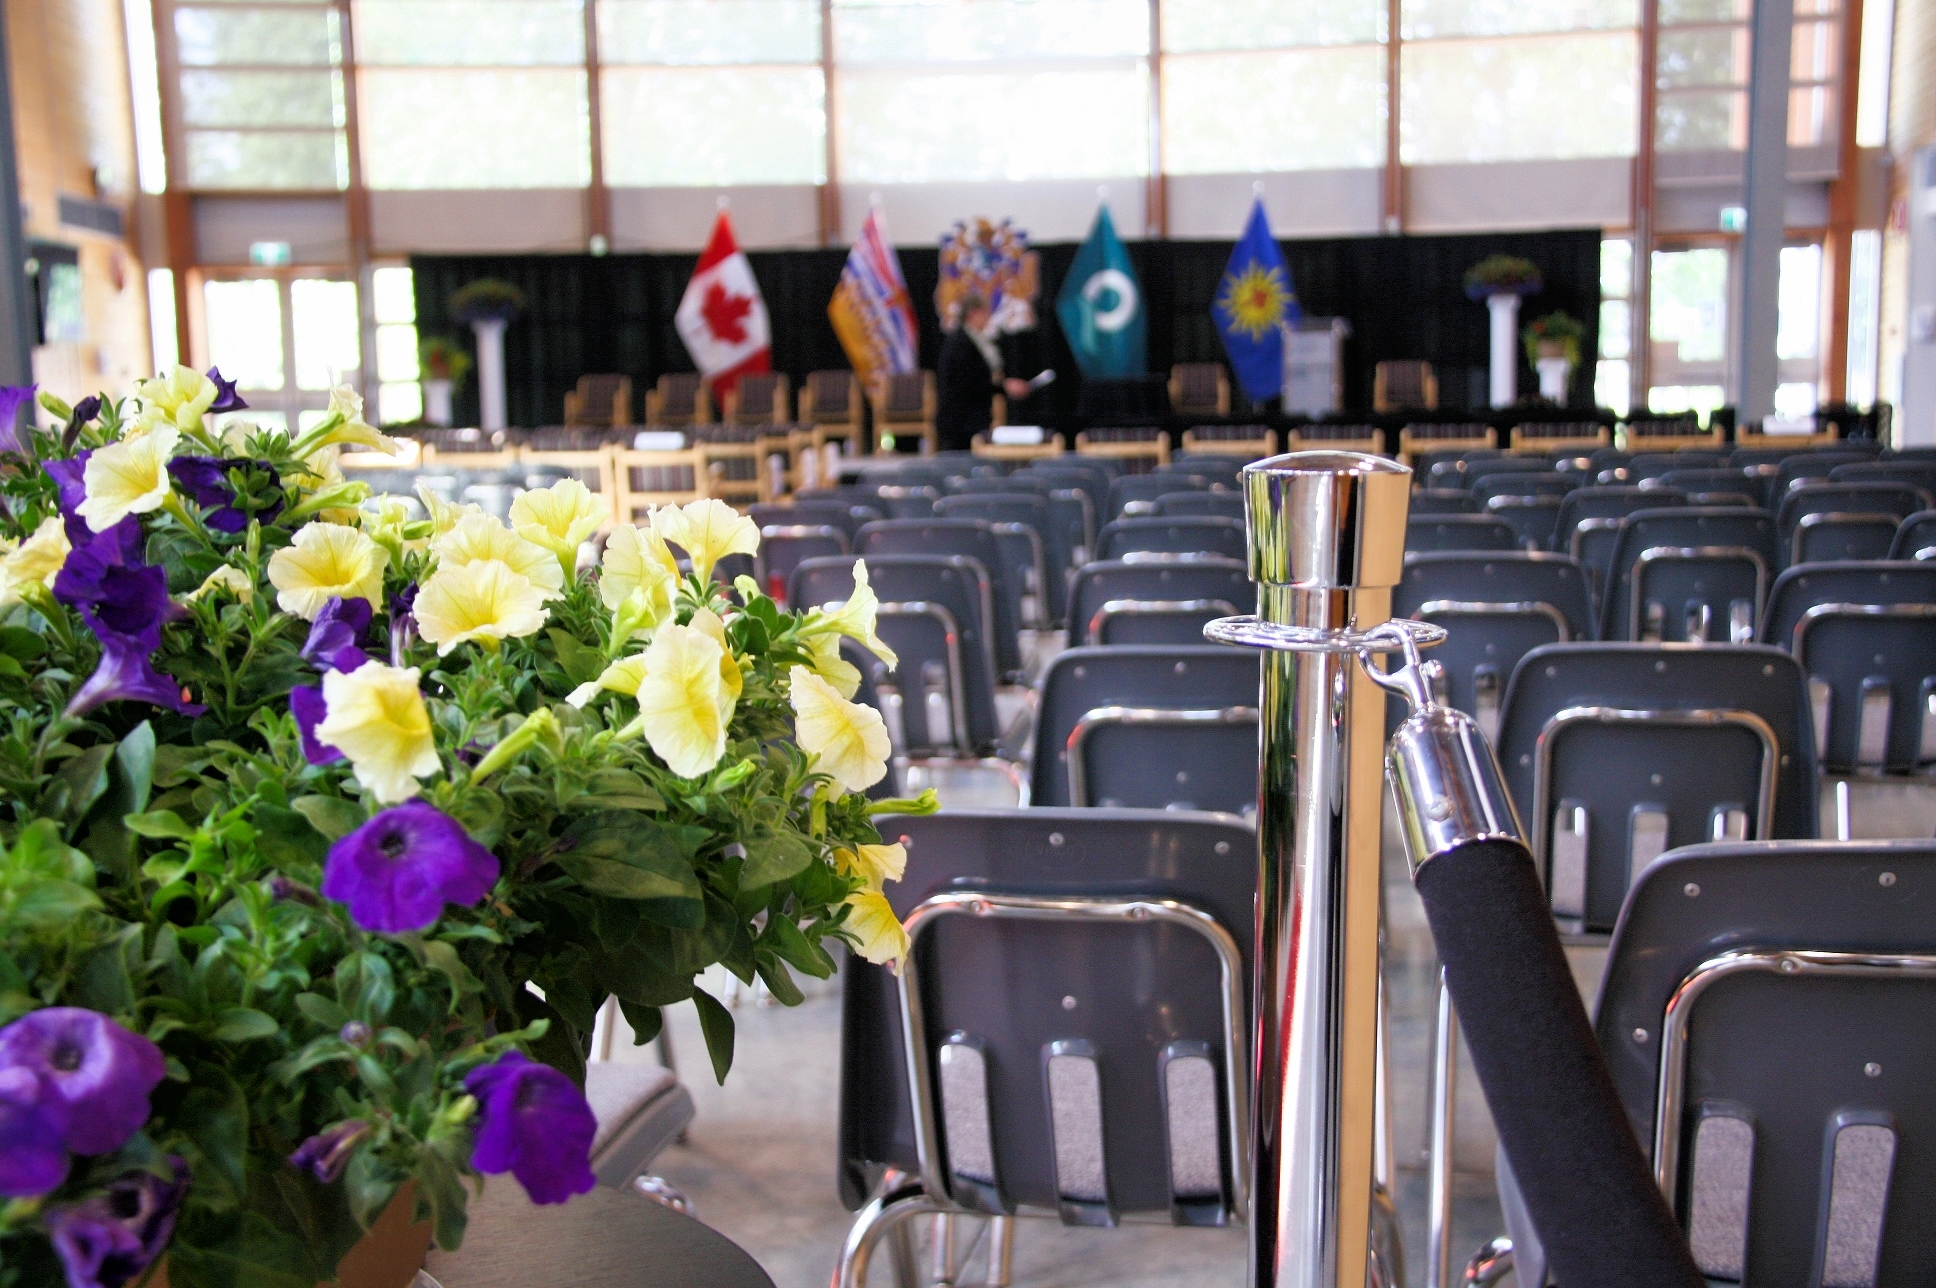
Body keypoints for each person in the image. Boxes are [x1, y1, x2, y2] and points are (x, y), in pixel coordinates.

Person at [935, 293, 1031, 453]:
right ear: (973, 313)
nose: (988, 317)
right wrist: (1003, 387)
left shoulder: (974, 339)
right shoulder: (960, 343)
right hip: (961, 420)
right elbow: (970, 382)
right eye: (985, 312)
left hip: (971, 417)